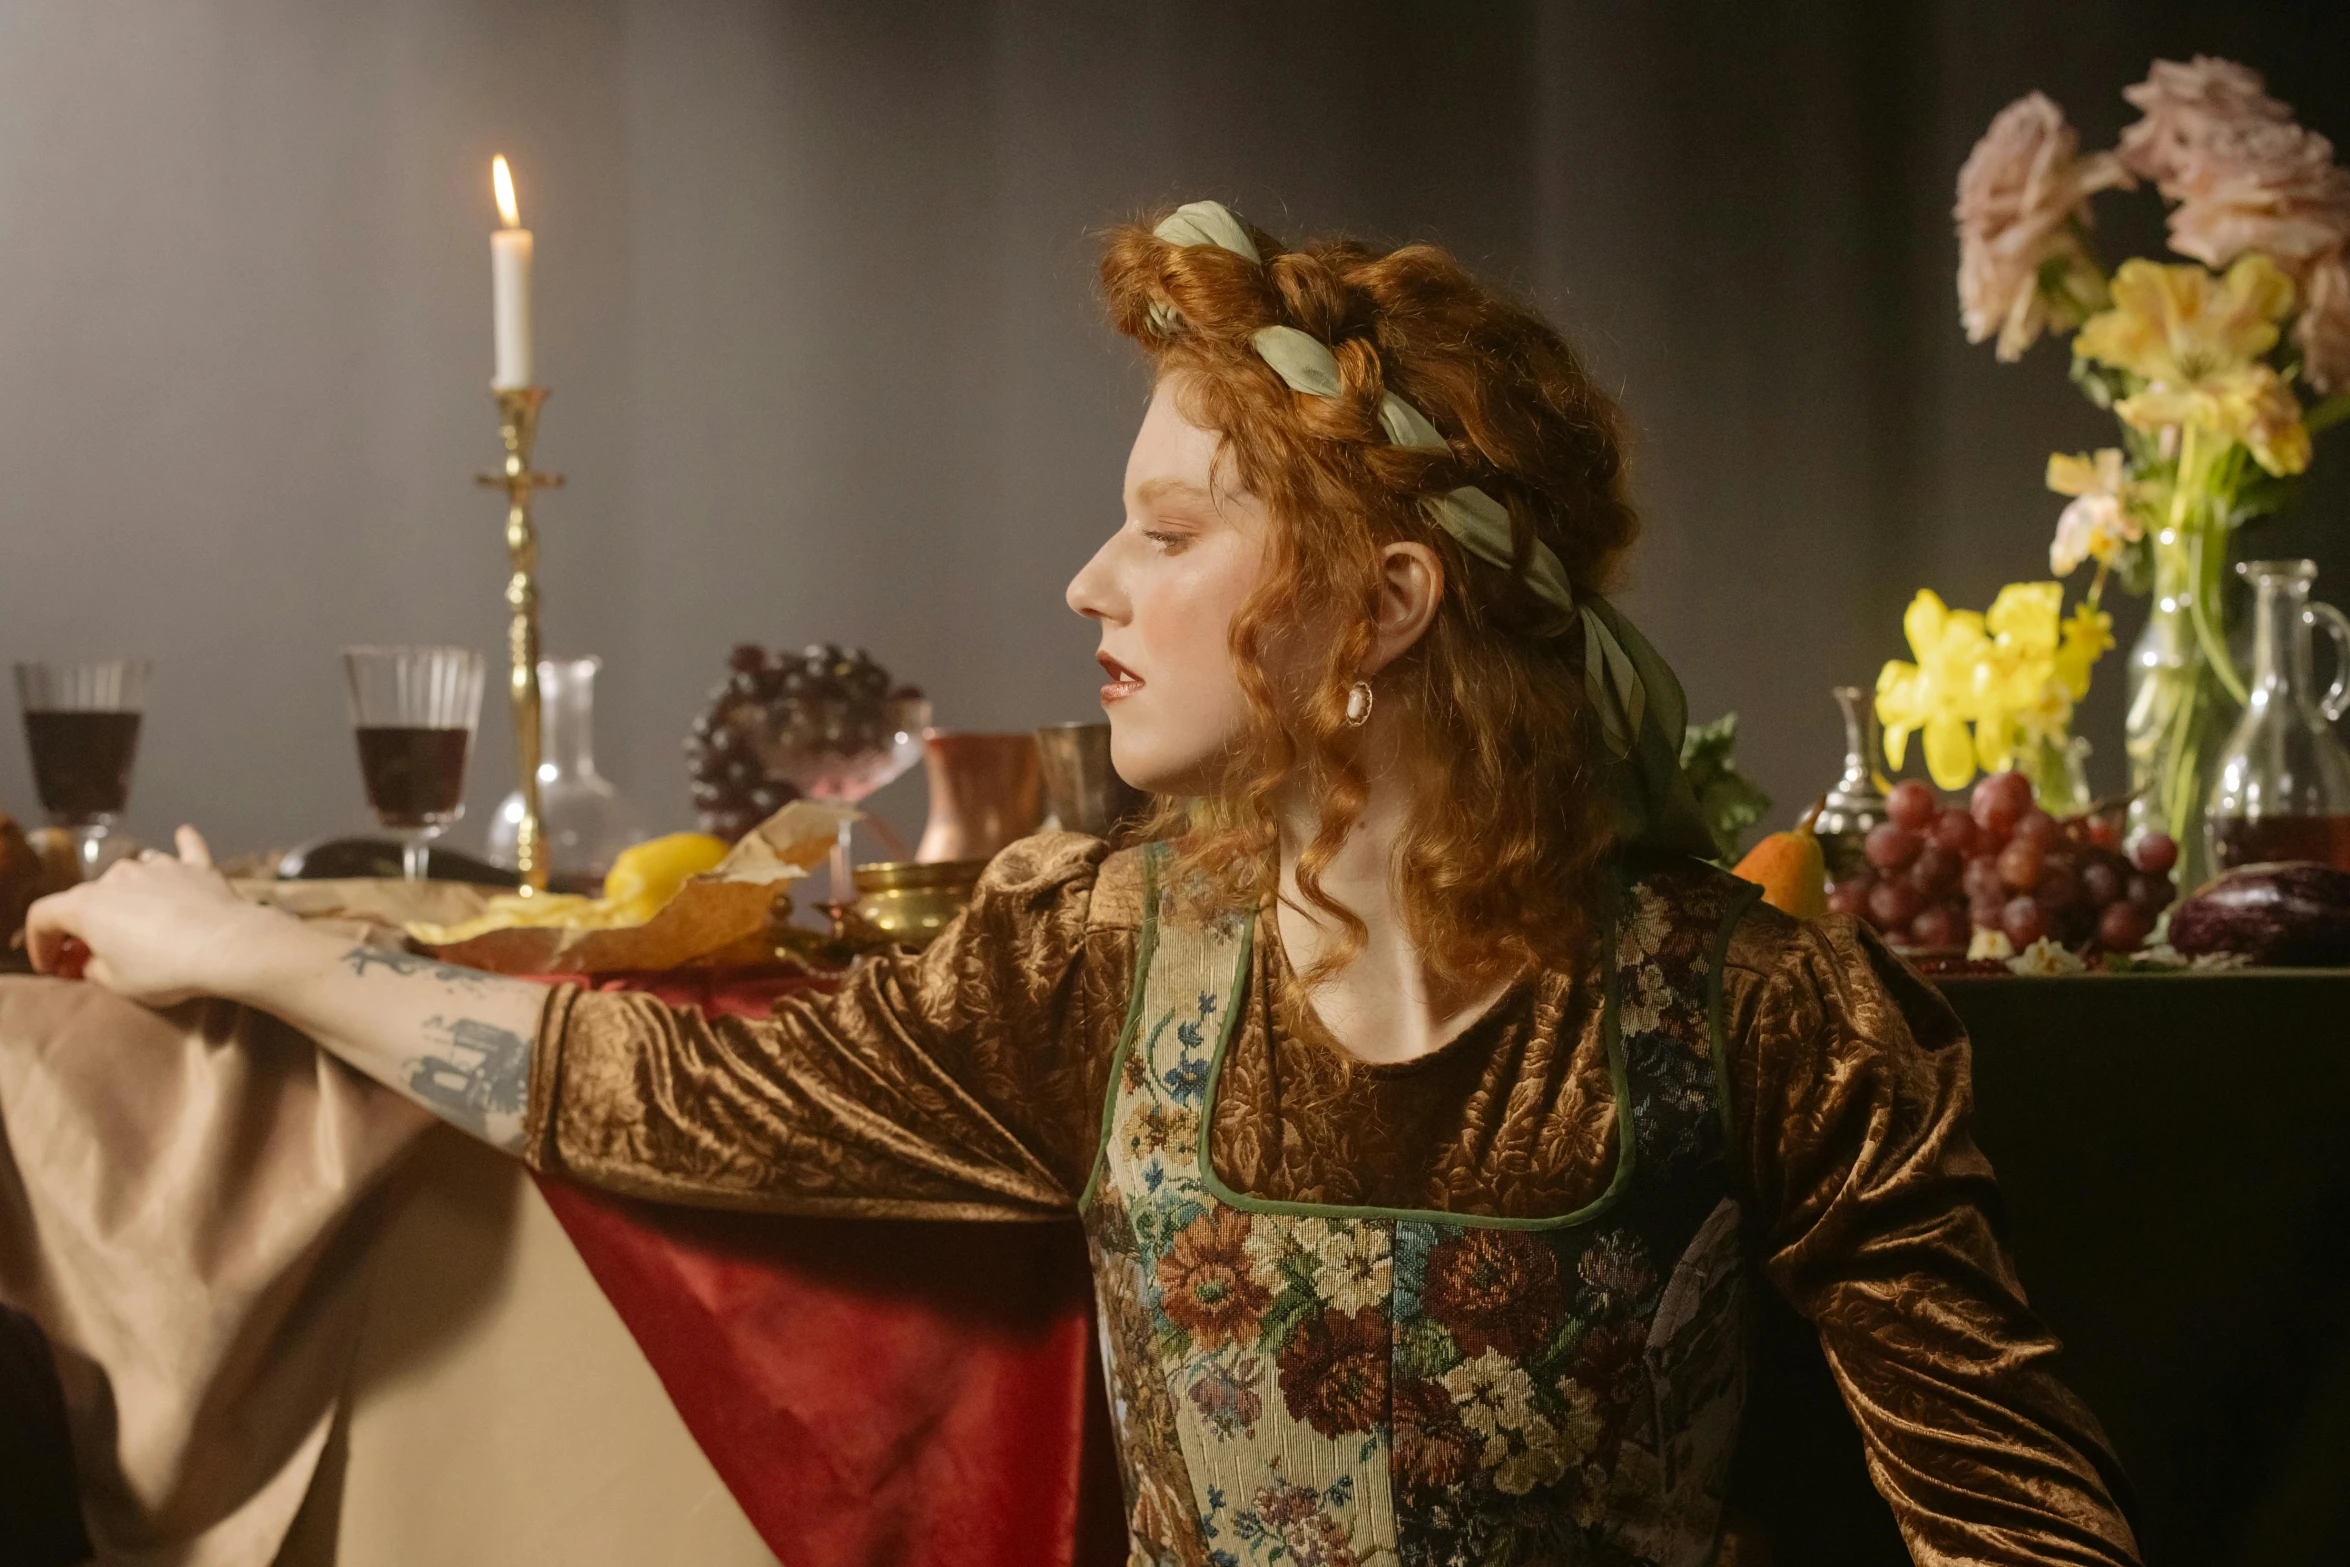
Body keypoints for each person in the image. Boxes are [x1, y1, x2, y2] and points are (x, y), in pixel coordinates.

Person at [28, 201, 2141, 1566]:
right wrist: (245, 945)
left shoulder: (1755, 1007)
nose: (1087, 585)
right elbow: (669, 1100)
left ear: (1381, 600)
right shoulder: (1103, 958)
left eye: (1165, 532)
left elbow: (2018, 1524)